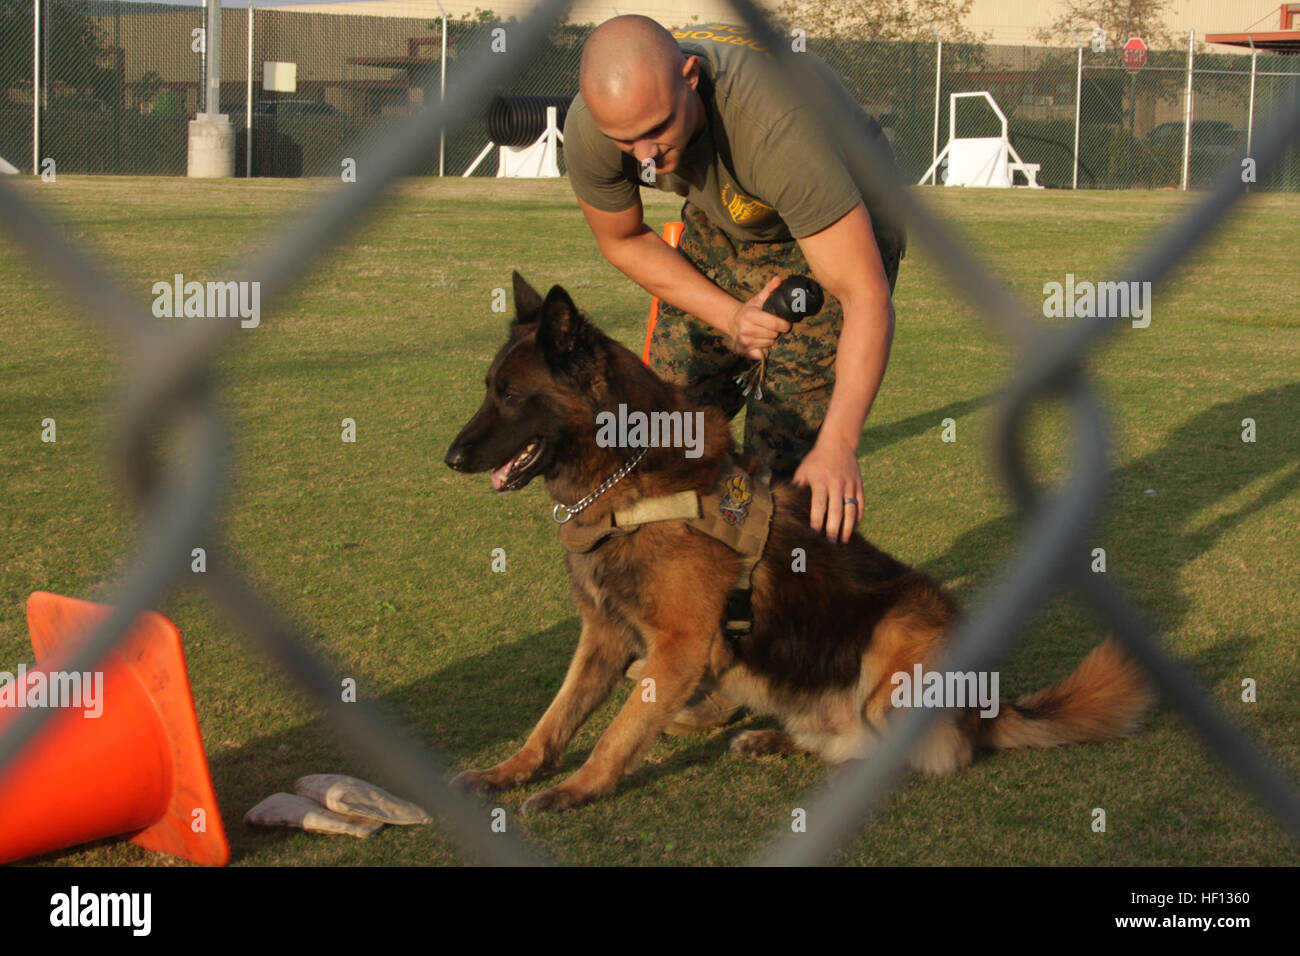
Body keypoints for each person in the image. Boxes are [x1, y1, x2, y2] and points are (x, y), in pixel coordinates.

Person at [563, 15, 906, 732]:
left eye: (657, 131)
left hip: (844, 215)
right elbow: (623, 238)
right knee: (668, 436)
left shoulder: (773, 123)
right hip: (728, 220)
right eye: (627, 143)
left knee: (785, 473)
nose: (646, 156)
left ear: (690, 79)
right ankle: (672, 631)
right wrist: (728, 315)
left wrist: (838, 442)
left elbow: (863, 292)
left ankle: (752, 661)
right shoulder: (600, 124)